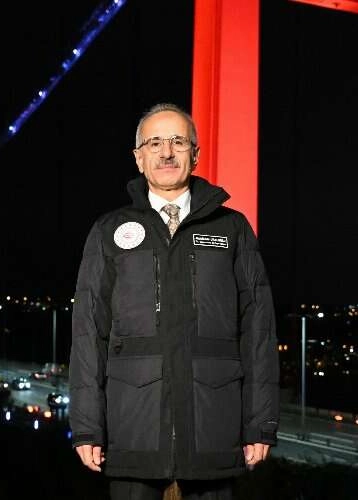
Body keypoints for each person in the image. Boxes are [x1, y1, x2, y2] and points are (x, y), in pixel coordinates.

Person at [68, 103, 279, 499]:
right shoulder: (108, 231)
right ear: (138, 157)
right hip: (134, 432)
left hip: (213, 433)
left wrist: (261, 424)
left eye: (178, 142)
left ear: (195, 155)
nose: (166, 152)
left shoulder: (232, 228)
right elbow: (87, 334)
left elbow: (259, 332)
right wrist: (87, 426)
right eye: (154, 143)